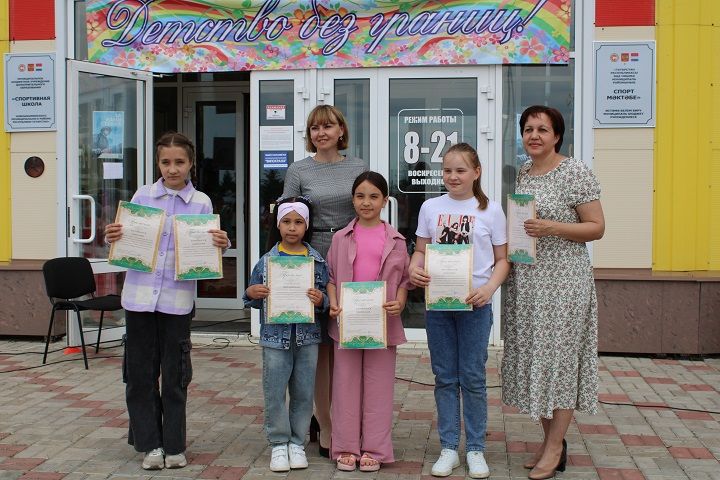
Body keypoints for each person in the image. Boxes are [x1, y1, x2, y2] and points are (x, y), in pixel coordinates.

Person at [103, 132, 230, 470]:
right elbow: (126, 239)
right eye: (165, 162)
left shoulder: (201, 203)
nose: (172, 169)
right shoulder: (142, 196)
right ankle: (150, 446)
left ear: (191, 164)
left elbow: (205, 251)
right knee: (140, 375)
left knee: (175, 376)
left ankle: (174, 444)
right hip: (139, 299)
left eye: (180, 162)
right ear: (158, 163)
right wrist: (114, 236)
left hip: (176, 302)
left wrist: (220, 244)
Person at [501, 106, 605, 480]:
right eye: (528, 129)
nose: (534, 136)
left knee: (559, 362)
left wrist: (552, 227)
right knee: (536, 360)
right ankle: (549, 443)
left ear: (557, 135)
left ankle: (557, 445)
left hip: (564, 282)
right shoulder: (525, 173)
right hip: (529, 281)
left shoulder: (574, 171)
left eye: (543, 129)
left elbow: (596, 228)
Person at [409, 143, 509, 479]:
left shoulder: (491, 211)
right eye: (448, 170)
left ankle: (476, 448)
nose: (453, 176)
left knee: (473, 377)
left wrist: (489, 288)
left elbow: (502, 260)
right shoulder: (430, 208)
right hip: (439, 306)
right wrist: (414, 269)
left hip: (475, 307)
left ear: (476, 172)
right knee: (445, 378)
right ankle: (450, 447)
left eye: (460, 170)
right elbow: (420, 252)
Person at [281, 104, 366, 456]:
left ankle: (348, 418)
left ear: (341, 130)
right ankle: (325, 424)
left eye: (328, 126)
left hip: (350, 254)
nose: (321, 133)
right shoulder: (298, 169)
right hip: (311, 256)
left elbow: (367, 208)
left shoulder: (359, 167)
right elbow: (287, 216)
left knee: (345, 344)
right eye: (315, 128)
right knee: (318, 348)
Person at [326, 171, 410, 472]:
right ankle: (346, 446)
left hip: (382, 325)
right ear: (352, 200)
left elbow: (405, 281)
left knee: (379, 387)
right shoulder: (340, 238)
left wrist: (399, 301)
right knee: (345, 386)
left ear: (385, 201)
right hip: (347, 324)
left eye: (374, 196)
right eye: (360, 196)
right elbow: (332, 279)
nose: (366, 202)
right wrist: (334, 302)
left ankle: (375, 448)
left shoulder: (397, 240)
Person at [243, 196, 329, 472]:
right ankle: (279, 444)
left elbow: (326, 297)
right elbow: (252, 295)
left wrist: (321, 300)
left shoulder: (316, 261)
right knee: (275, 391)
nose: (292, 228)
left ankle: (297, 442)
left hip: (307, 338)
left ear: (307, 226)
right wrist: (251, 293)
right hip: (274, 339)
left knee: (304, 393)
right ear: (278, 225)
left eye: (298, 222)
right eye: (287, 222)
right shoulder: (267, 262)